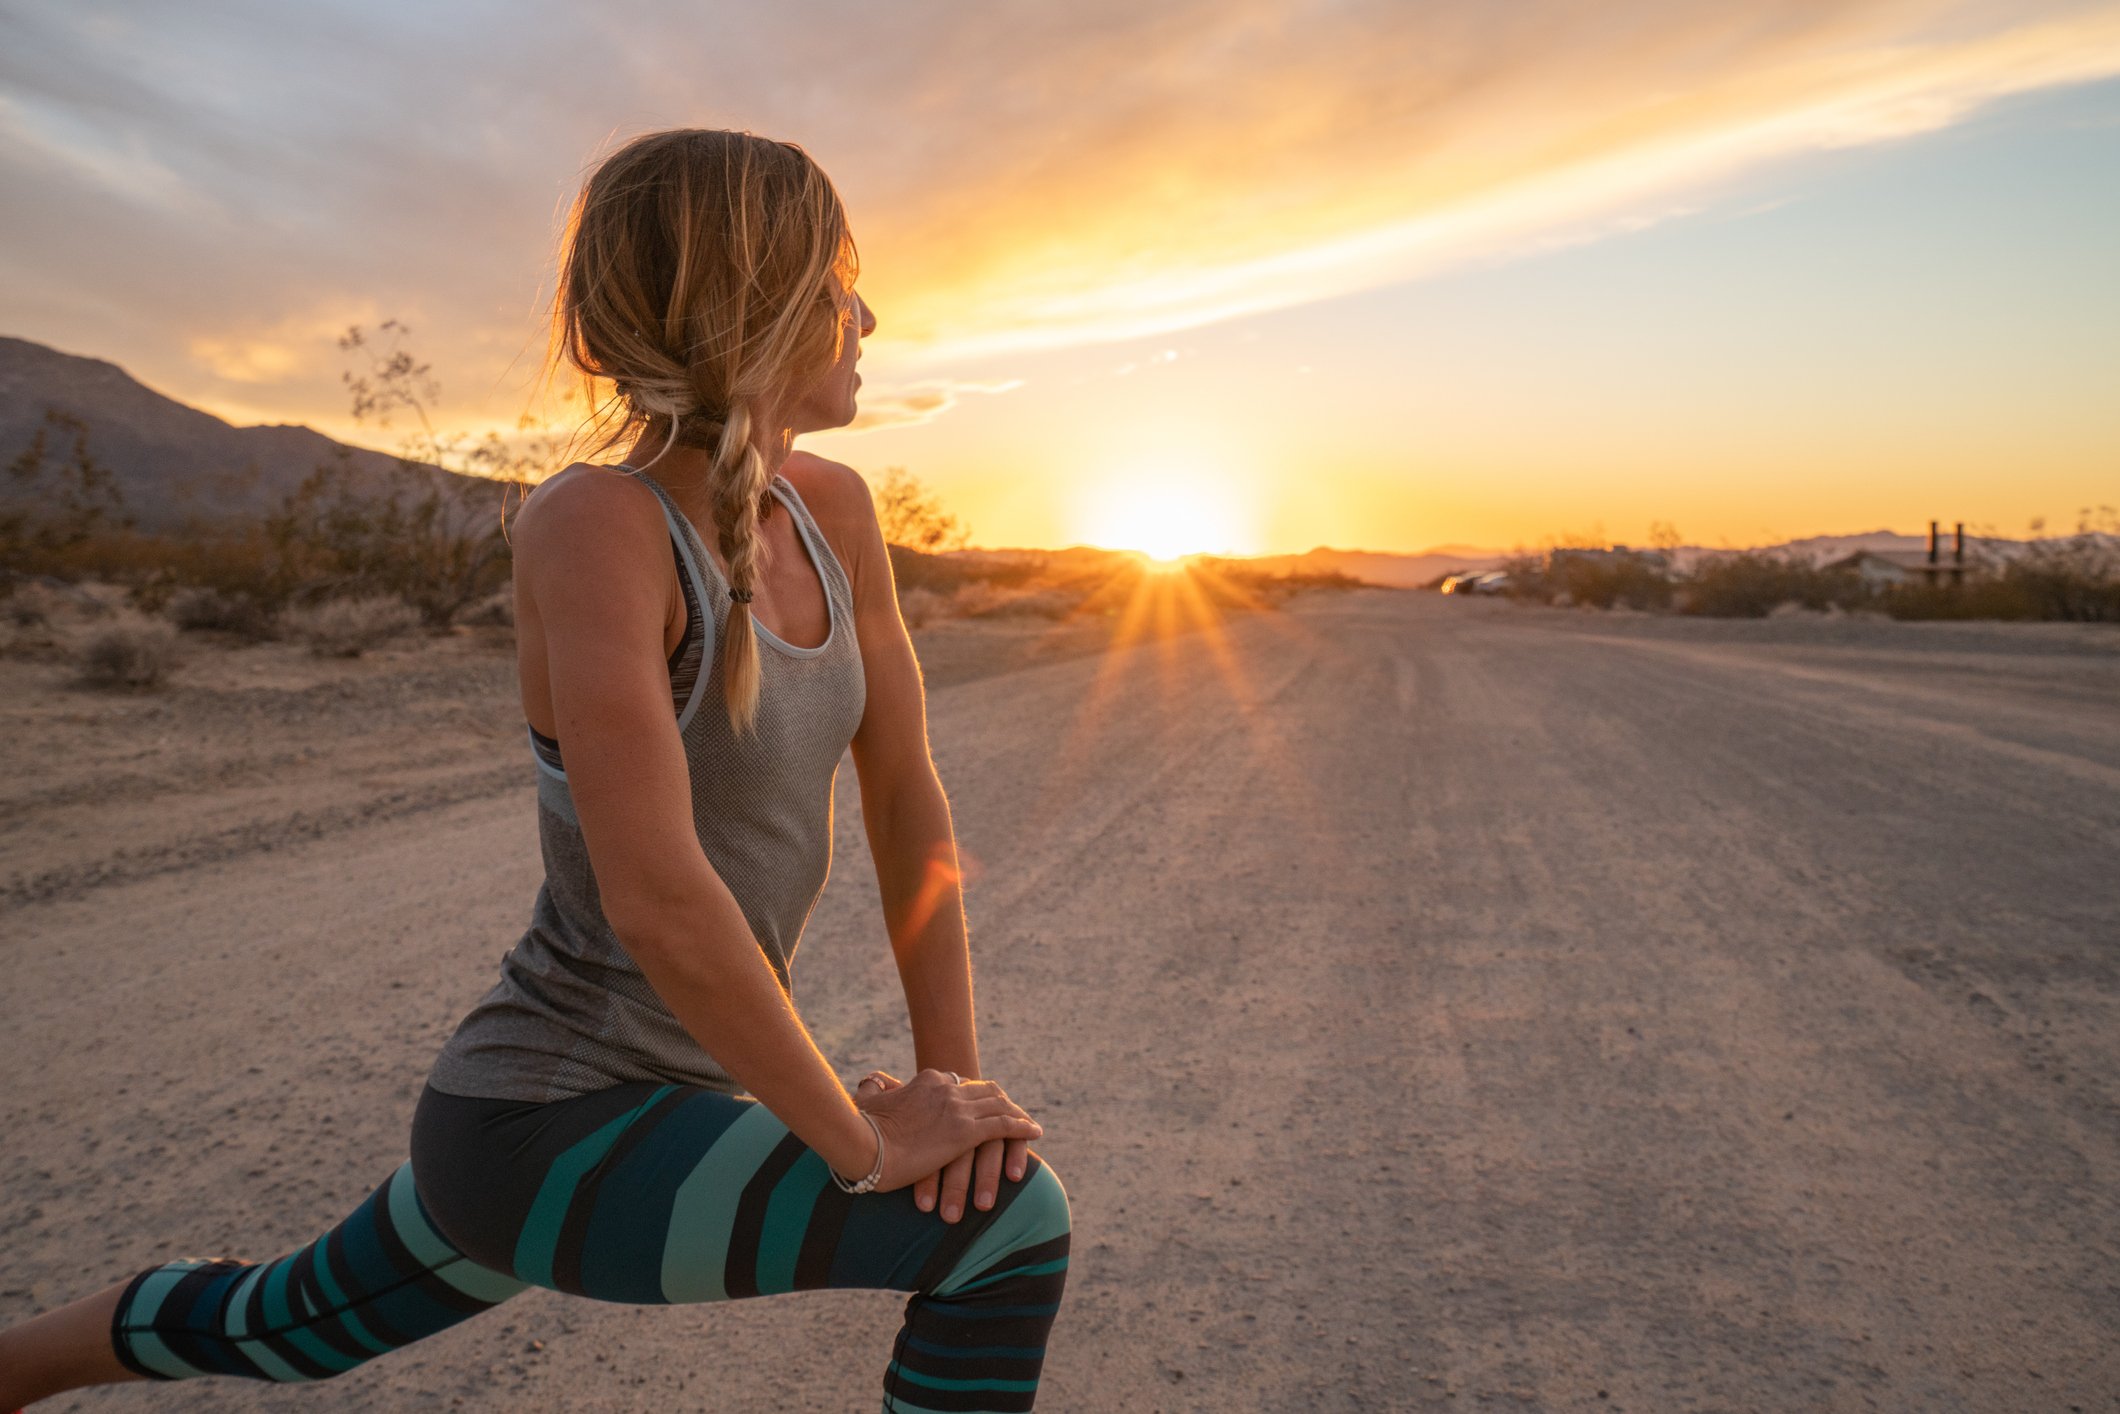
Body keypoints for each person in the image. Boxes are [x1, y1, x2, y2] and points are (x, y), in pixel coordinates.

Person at [0, 128, 1069, 1413]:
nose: (868, 314)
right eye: (839, 281)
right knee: (1008, 1229)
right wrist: (860, 1150)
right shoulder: (598, 525)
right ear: (754, 300)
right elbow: (659, 898)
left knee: (290, 1325)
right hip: (547, 1123)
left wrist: (947, 1092)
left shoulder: (833, 508)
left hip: (617, 1108)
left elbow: (908, 804)